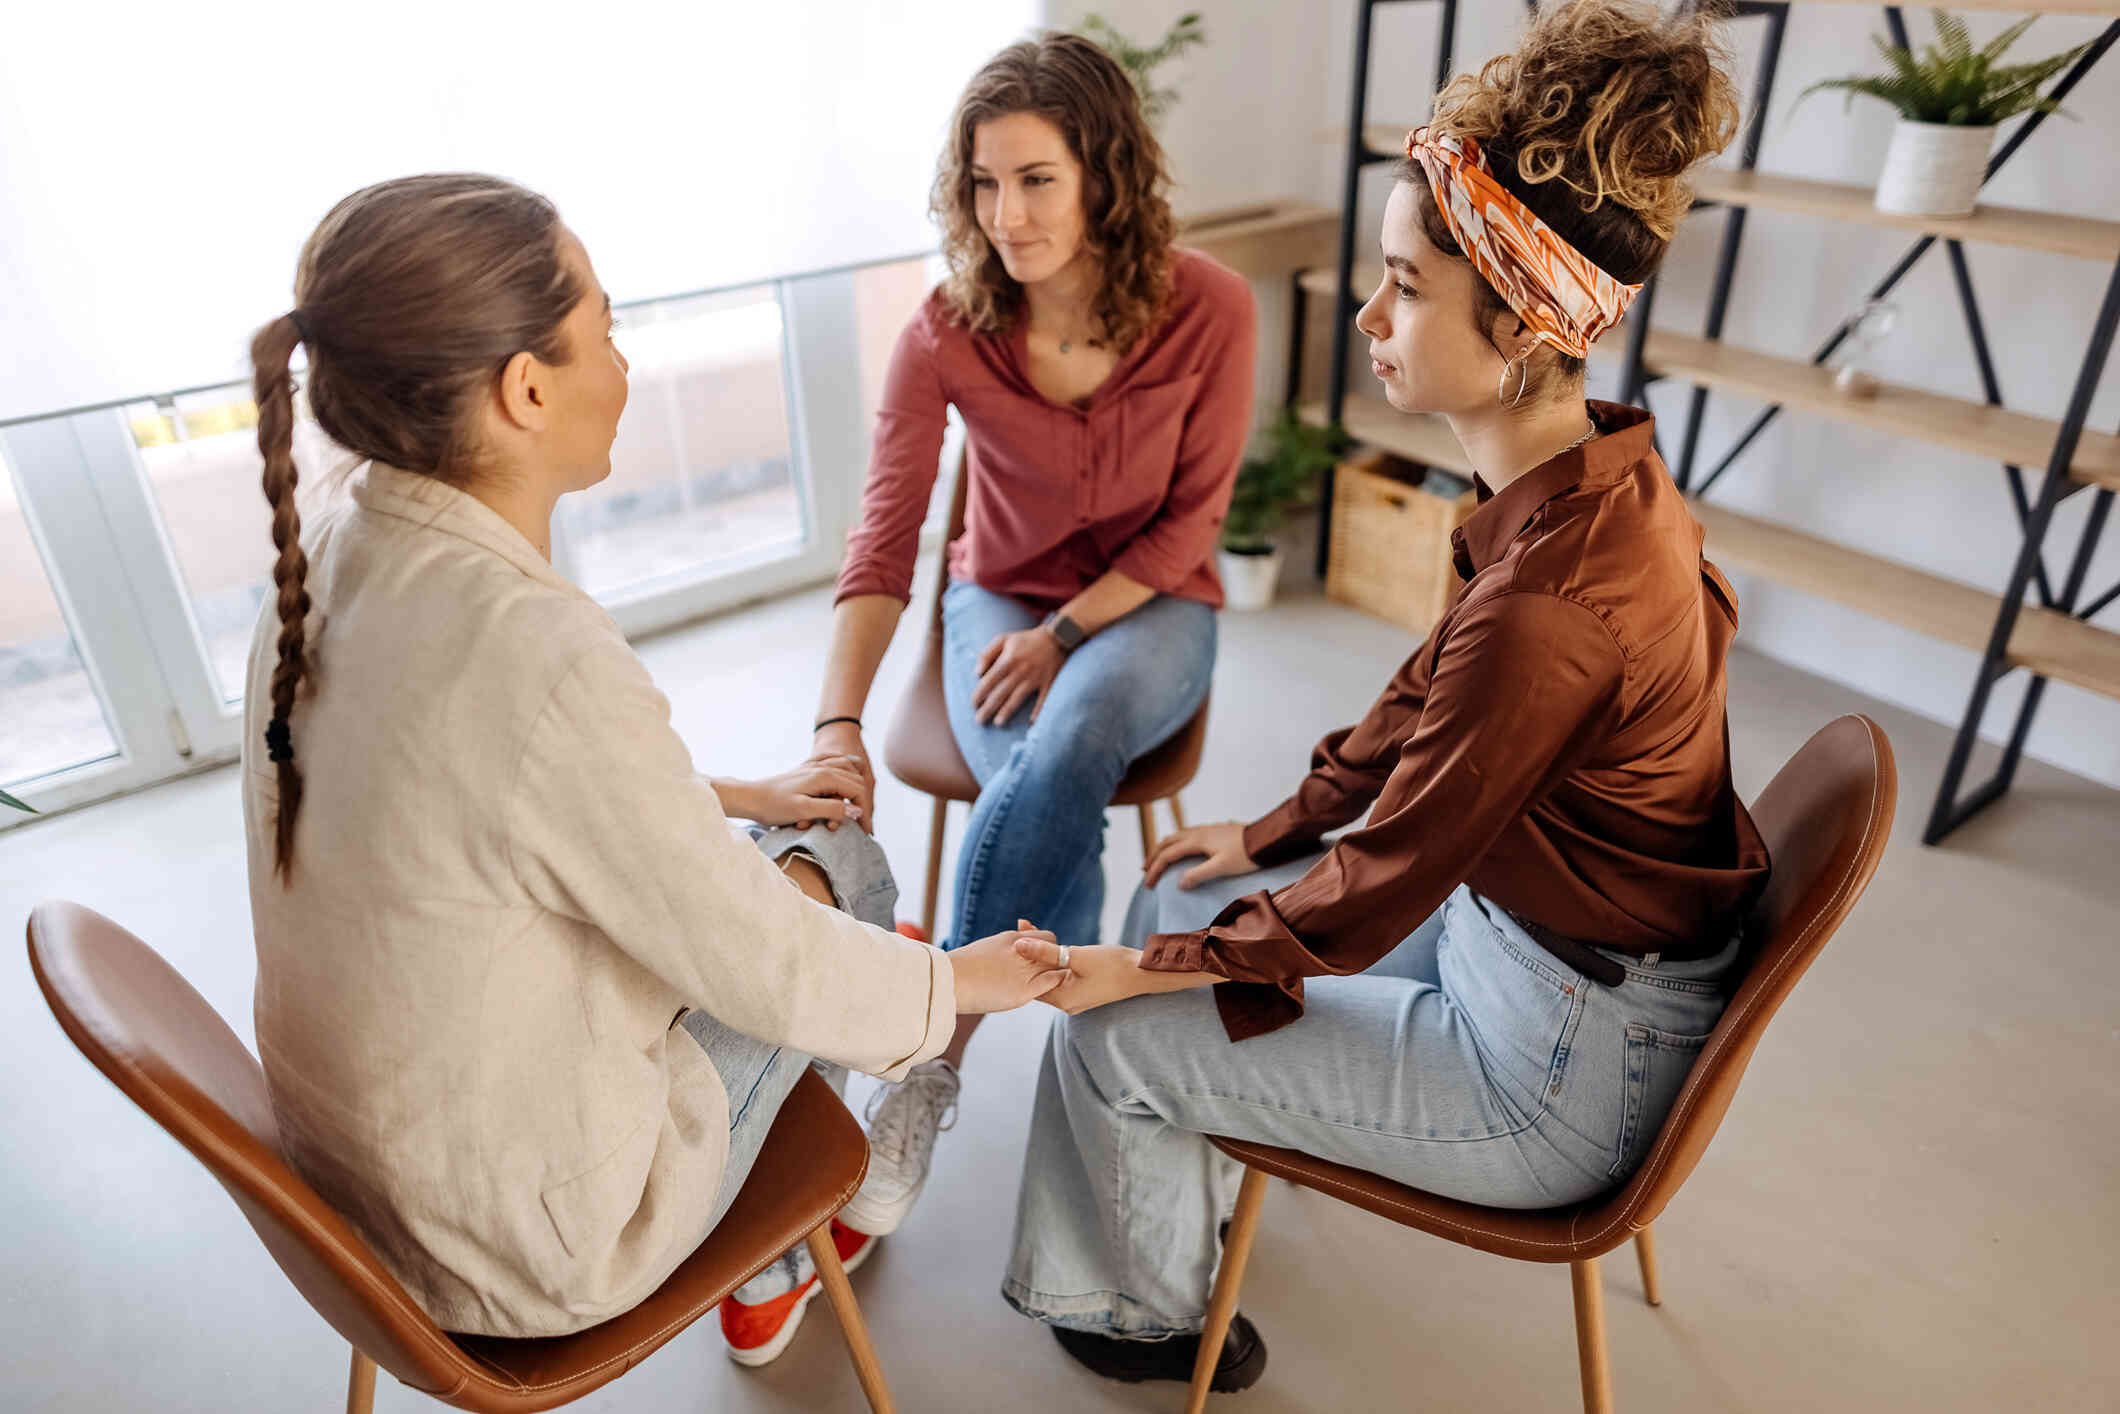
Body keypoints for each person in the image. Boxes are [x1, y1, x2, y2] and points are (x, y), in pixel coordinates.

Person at [999, 1, 1770, 1392]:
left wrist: (1145, 977)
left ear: (1526, 325)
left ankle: (1143, 1311)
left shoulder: (1552, 602)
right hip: (1536, 946)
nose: (1368, 317)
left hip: (1552, 1063)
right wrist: (1275, 824)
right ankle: (1193, 1168)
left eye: (1406, 287)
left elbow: (1388, 874)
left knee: (1114, 1025)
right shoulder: (1588, 476)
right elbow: (1433, 701)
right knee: (1183, 890)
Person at [238, 174, 1069, 1352]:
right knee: (847, 870)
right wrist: (963, 985)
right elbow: (764, 962)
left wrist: (727, 798)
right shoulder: (527, 647)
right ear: (526, 389)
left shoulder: (328, 547)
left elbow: (479, 801)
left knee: (789, 853)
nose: (624, 368)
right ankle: (792, 1243)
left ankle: (811, 1179)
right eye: (608, 331)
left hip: (352, 1187)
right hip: (524, 1244)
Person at [810, 32, 1258, 1241]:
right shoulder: (945, 328)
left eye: (1036, 178)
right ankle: (1126, 1044)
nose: (1004, 214)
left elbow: (1189, 527)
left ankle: (919, 1062)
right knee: (1046, 784)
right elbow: (884, 532)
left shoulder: (1208, 307)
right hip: (992, 602)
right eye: (983, 183)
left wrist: (1061, 634)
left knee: (1071, 737)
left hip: (1147, 606)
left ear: (1104, 173)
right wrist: (835, 724)